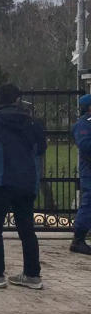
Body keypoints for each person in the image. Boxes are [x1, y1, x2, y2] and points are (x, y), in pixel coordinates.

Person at [0, 84, 47, 289]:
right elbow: (41, 149)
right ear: (18, 100)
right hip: (26, 181)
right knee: (27, 229)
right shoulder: (33, 123)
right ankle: (32, 274)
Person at [70, 94, 91, 255]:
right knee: (88, 203)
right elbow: (85, 145)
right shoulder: (83, 125)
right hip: (89, 171)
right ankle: (78, 239)